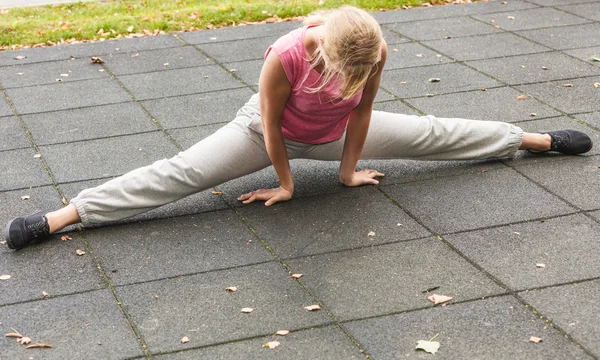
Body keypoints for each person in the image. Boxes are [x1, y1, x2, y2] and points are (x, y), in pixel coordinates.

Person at [3, 6, 592, 250]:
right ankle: (66, 215)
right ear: (323, 48)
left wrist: (346, 171)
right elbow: (271, 123)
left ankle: (530, 140)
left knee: (430, 133)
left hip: (334, 133)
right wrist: (286, 183)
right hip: (264, 134)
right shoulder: (284, 55)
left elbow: (360, 111)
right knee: (181, 173)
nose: (350, 76)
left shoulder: (371, 49)